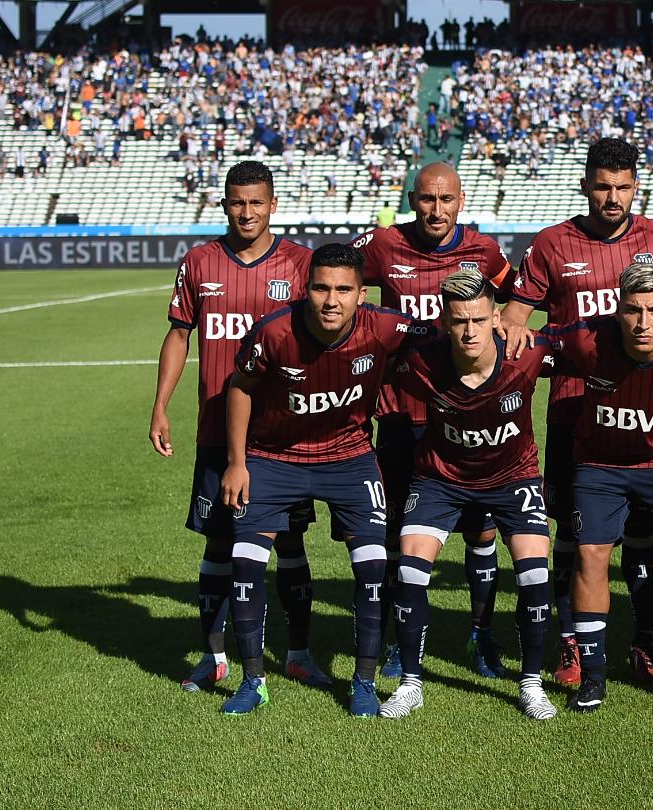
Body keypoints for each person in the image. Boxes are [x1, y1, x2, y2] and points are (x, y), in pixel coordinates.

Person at [501, 138, 653, 687]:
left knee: (642, 534)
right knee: (574, 532)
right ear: (586, 186)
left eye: (623, 187)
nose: (613, 198)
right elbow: (517, 317)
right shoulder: (551, 244)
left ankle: (644, 642)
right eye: (603, 186)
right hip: (576, 413)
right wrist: (514, 327)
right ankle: (572, 644)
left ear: (636, 187)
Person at [218, 243, 423, 716]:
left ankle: (365, 683)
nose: (331, 300)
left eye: (343, 290)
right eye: (321, 288)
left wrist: (501, 322)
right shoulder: (272, 332)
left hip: (350, 459)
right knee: (246, 567)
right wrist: (236, 462)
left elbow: (444, 336)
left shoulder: (385, 326)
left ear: (361, 294)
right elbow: (241, 388)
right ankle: (253, 682)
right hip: (273, 459)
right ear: (305, 289)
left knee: (373, 570)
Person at [150, 161, 327, 693]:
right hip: (215, 430)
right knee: (219, 546)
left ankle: (298, 652)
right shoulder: (200, 262)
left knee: (291, 544)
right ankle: (214, 657)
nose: (246, 212)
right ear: (223, 204)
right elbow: (180, 336)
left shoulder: (300, 264)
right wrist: (160, 405)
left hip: (283, 432)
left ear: (274, 204)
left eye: (256, 202)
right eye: (236, 202)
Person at [352, 163, 515, 680]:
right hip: (401, 415)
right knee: (405, 534)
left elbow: (518, 300)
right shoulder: (382, 245)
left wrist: (512, 328)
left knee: (481, 532)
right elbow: (329, 276)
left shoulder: (485, 252)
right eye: (426, 199)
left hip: (467, 415)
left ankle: (481, 633)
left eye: (446, 199)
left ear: (460, 200)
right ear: (412, 199)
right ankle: (405, 643)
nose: (436, 210)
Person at [543, 262, 653, 713]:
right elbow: (527, 346)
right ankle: (594, 675)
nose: (643, 323)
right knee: (589, 553)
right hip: (601, 465)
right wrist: (505, 323)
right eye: (633, 310)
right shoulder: (587, 339)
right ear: (617, 310)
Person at [379, 268, 556, 721]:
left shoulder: (528, 353)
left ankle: (531, 684)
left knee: (535, 573)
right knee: (411, 566)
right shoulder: (420, 361)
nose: (470, 331)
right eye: (459, 321)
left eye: (479, 319)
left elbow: (590, 347)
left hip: (513, 476)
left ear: (496, 318)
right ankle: (411, 682)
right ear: (444, 321)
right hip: (440, 477)